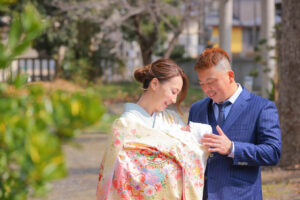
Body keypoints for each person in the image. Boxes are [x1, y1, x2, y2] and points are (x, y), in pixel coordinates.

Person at [96, 58, 211, 200]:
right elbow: (119, 173)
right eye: (173, 91)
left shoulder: (172, 119)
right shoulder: (125, 125)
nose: (174, 100)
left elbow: (190, 152)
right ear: (155, 84)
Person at [188, 47, 281, 200]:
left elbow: (273, 152)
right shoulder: (196, 109)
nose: (206, 89)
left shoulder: (262, 107)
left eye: (210, 82)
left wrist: (232, 148)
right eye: (202, 84)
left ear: (230, 76)